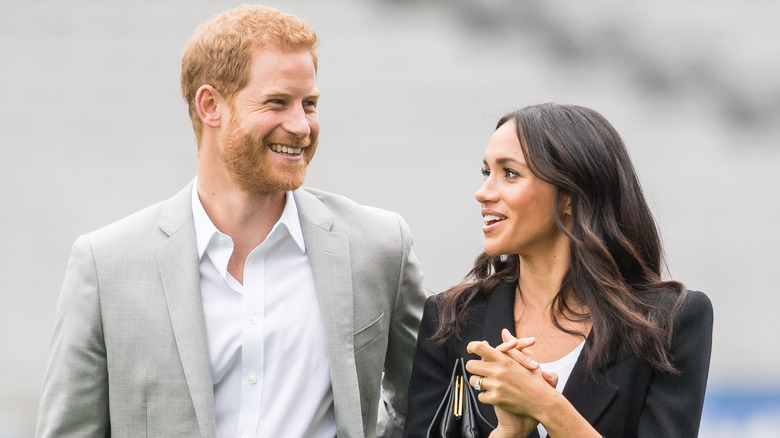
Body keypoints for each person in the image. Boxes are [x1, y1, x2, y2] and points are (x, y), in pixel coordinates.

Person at [35, 5, 426, 438]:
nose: (301, 126)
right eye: (278, 102)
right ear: (210, 105)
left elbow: (428, 407)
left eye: (309, 104)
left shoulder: (380, 246)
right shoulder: (105, 266)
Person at [404, 103, 713, 437]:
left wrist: (546, 406)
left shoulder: (671, 320)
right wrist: (508, 433)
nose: (484, 192)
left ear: (570, 195)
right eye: (486, 172)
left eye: (509, 173)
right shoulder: (450, 318)